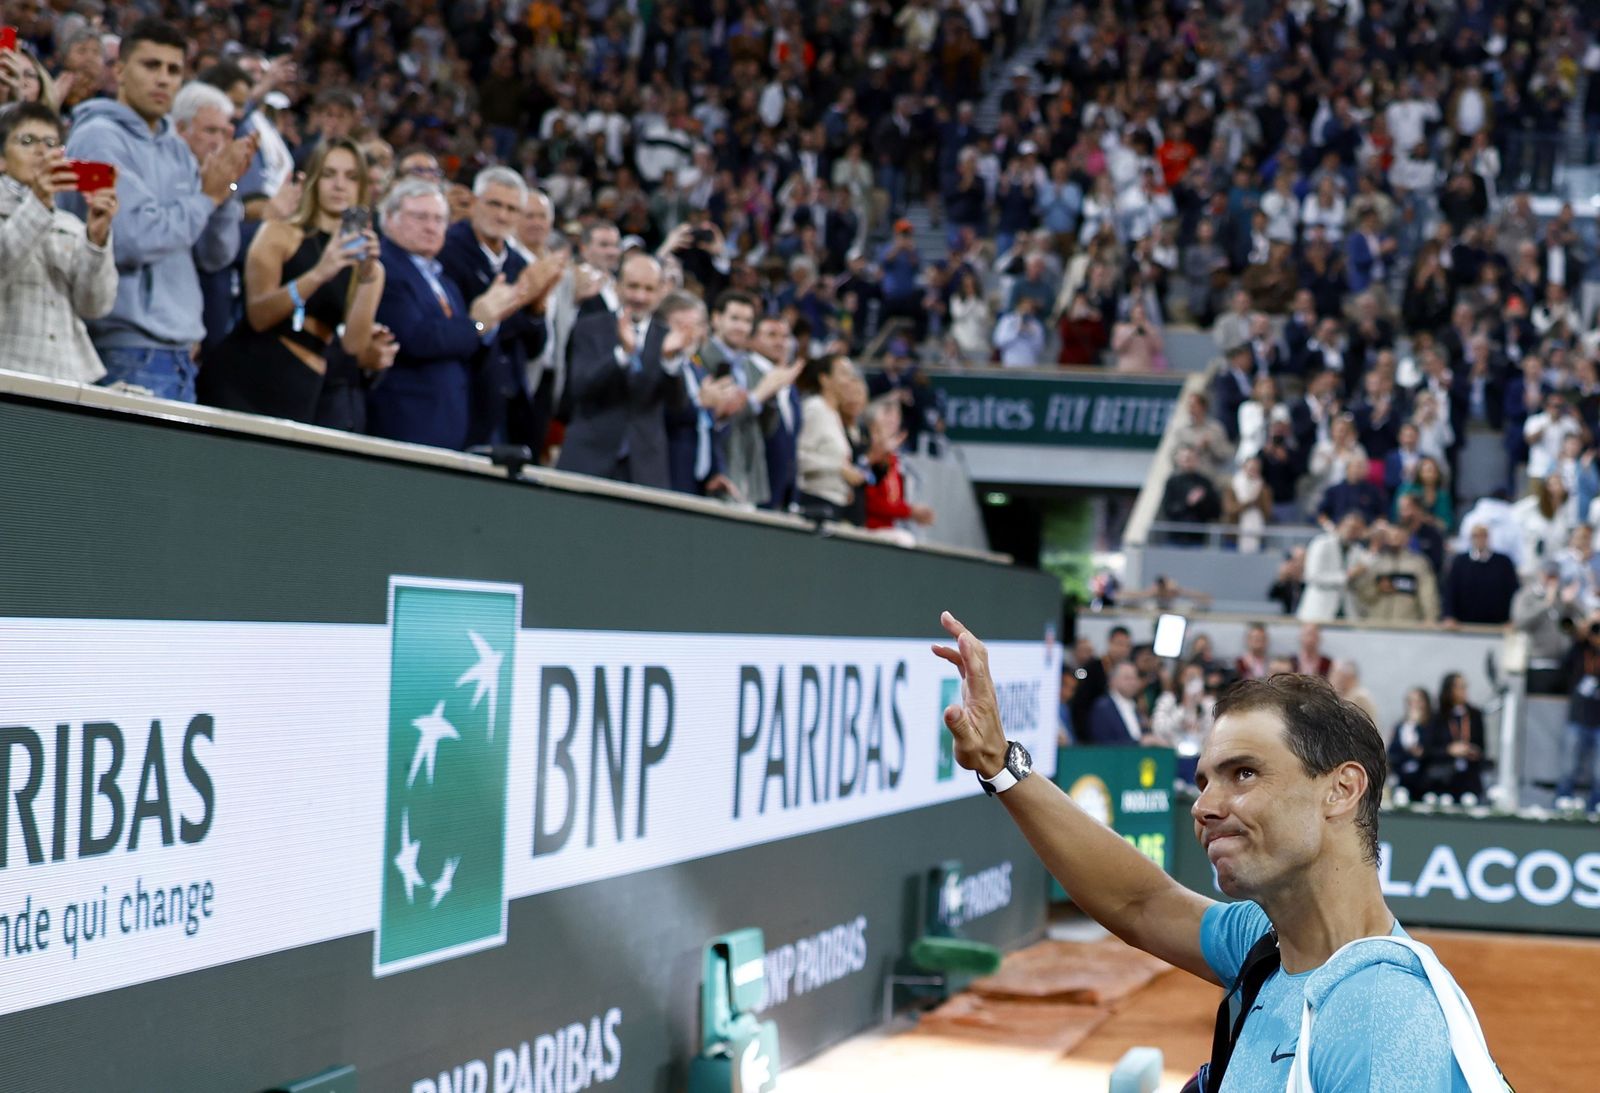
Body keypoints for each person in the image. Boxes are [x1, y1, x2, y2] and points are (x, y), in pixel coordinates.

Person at [934, 615, 1493, 1089]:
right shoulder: (1269, 945)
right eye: (1204, 781)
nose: (1204, 806)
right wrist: (1000, 764)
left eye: (1243, 773)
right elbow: (1141, 903)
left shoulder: (1382, 1018)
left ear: (1341, 789)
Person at [59, 18, 254, 402]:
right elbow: (129, 239)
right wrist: (206, 199)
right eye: (151, 66)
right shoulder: (95, 139)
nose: (163, 79)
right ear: (119, 70)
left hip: (178, 354)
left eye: (173, 70)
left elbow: (215, 255)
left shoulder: (176, 148)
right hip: (122, 349)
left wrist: (225, 192)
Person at [197, 138, 385, 422]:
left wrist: (368, 275)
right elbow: (259, 315)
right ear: (313, 180)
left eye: (351, 177)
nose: (339, 185)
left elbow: (354, 346)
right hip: (245, 376)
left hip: (301, 388)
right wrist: (319, 273)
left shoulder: (368, 265)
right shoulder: (279, 234)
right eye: (328, 174)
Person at [368, 179, 525, 450]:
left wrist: (487, 322)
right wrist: (477, 324)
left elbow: (463, 344)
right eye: (420, 217)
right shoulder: (384, 268)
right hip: (404, 422)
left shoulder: (444, 280)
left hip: (447, 424)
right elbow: (415, 338)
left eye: (440, 220)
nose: (431, 227)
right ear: (390, 219)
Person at [438, 167, 565, 449]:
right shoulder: (447, 250)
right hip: (464, 396)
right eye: (494, 204)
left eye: (511, 208)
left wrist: (537, 307)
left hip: (509, 404)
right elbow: (470, 328)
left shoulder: (518, 265)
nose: (502, 216)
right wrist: (515, 304)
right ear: (474, 202)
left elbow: (534, 347)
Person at [0, 101, 118, 383]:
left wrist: (96, 239)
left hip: (68, 378)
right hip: (8, 371)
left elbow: (95, 305)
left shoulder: (69, 223)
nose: (42, 150)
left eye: (51, 142)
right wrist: (38, 203)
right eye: (27, 141)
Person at [556, 250, 689, 488]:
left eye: (648, 289)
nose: (639, 296)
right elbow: (579, 387)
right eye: (633, 286)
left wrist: (670, 362)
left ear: (661, 293)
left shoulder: (668, 339)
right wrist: (622, 355)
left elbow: (677, 407)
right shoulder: (589, 327)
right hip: (588, 458)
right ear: (617, 287)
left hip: (645, 467)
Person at [796, 353, 863, 521]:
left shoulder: (834, 415)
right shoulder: (815, 409)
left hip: (834, 504)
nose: (850, 381)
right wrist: (839, 469)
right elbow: (798, 457)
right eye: (844, 373)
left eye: (852, 374)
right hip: (814, 502)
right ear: (825, 379)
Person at [748, 314, 803, 512]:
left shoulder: (790, 384)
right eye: (771, 335)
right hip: (753, 483)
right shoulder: (745, 371)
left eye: (785, 336)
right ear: (752, 339)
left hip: (784, 489)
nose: (780, 342)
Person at [1556, 610, 1600, 812]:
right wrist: (1581, 635)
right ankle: (1562, 803)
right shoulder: (1580, 649)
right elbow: (1562, 667)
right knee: (1568, 767)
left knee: (1599, 773)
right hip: (1578, 718)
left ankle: (1595, 808)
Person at [1421, 672, 1485, 800]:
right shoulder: (1438, 718)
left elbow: (1482, 746)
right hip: (1443, 780)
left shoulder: (1475, 715)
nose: (1463, 691)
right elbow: (1427, 750)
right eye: (1459, 687)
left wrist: (1473, 751)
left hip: (1469, 778)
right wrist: (1449, 750)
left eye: (1465, 687)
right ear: (1449, 690)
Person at [1440, 524, 1519, 628]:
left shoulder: (1503, 562)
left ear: (1488, 537)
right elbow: (1450, 590)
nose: (1479, 539)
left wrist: (1514, 618)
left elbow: (1514, 591)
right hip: (1465, 624)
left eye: (1483, 535)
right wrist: (1449, 616)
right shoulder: (1460, 562)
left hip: (1499, 625)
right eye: (1475, 536)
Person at [1299, 513, 1369, 622]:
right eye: (1350, 527)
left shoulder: (1358, 550)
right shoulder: (1321, 543)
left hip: (1345, 610)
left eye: (1357, 529)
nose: (1352, 532)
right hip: (1319, 610)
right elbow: (1312, 576)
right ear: (1341, 525)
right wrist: (1347, 576)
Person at [1085, 661, 1149, 746]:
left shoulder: (1136, 707)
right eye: (1127, 678)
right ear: (1112, 680)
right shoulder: (1102, 707)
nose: (1133, 682)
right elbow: (1102, 743)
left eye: (1135, 678)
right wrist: (1138, 743)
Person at [1389, 687, 1433, 798]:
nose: (1414, 705)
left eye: (1418, 701)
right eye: (1410, 702)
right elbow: (1392, 753)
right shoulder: (1401, 727)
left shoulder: (1432, 725)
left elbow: (1432, 749)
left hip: (1426, 781)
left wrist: (1416, 726)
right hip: (1403, 779)